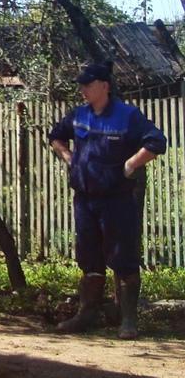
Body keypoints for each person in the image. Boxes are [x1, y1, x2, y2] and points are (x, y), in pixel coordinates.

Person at [48, 62, 165, 339]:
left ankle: (128, 321)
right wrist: (68, 157)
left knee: (123, 258)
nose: (82, 90)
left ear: (104, 86)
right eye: (81, 85)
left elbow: (156, 142)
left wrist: (130, 165)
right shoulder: (78, 115)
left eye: (87, 85)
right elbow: (55, 136)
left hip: (116, 201)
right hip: (85, 200)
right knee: (89, 259)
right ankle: (87, 315)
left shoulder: (127, 116)